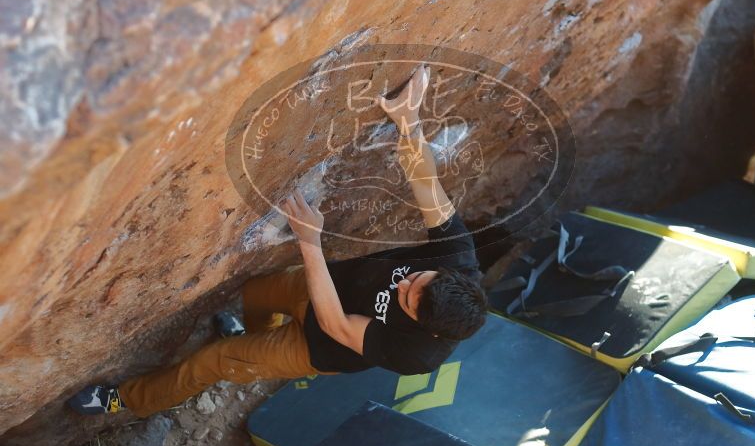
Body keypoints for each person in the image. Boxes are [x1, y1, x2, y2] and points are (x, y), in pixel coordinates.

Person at [69, 64, 488, 418]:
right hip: (326, 281)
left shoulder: (417, 355)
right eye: (417, 278)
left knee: (211, 363)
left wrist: (310, 243)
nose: (403, 283)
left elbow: (336, 324)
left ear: (425, 328)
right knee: (254, 295)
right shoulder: (458, 257)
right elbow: (426, 184)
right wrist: (409, 120)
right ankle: (247, 336)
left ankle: (123, 399)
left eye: (408, 298)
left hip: (317, 344)